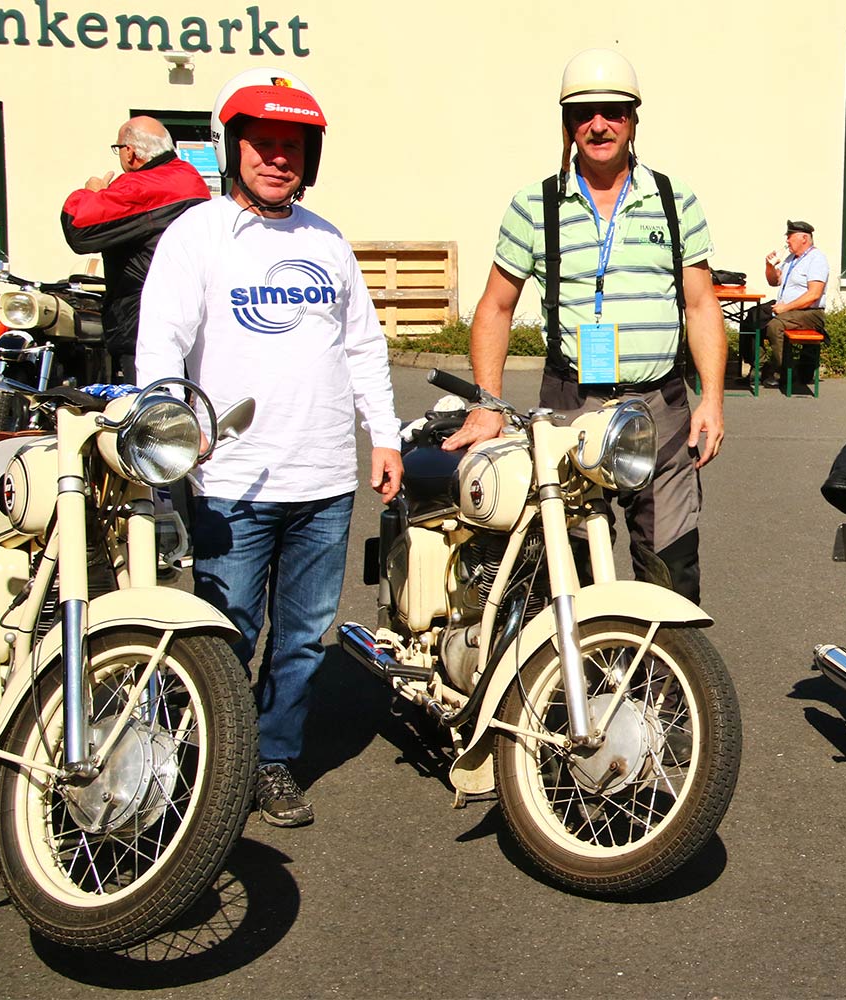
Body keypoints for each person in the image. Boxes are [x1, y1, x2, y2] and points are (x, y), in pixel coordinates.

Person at [137, 69, 404, 828]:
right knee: (222, 633)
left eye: (292, 147)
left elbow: (364, 348)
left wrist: (381, 435)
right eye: (263, 145)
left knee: (300, 641)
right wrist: (165, 433)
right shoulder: (197, 234)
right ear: (235, 148)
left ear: (308, 158)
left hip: (323, 477)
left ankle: (272, 760)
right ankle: (188, 759)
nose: (277, 159)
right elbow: (162, 345)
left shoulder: (327, 241)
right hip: (233, 478)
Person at [441, 48, 725, 603]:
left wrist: (711, 398)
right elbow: (495, 307)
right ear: (568, 124)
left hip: (661, 410)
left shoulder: (673, 199)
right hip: (572, 406)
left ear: (634, 120)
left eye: (614, 112)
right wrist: (487, 404)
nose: (599, 125)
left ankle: (663, 688)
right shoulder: (533, 205)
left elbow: (701, 303)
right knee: (570, 576)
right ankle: (577, 688)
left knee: (671, 573)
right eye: (584, 113)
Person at [60, 117, 211, 384]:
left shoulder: (139, 187)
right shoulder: (189, 177)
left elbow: (78, 228)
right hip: (190, 315)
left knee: (150, 413)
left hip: (142, 321)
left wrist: (91, 192)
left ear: (129, 152)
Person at [760, 220, 828, 384]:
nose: (787, 240)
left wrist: (785, 308)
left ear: (804, 238)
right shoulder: (791, 258)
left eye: (790, 236)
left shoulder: (816, 259)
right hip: (787, 310)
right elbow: (774, 281)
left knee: (775, 326)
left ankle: (784, 372)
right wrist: (769, 266)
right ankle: (761, 367)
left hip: (810, 312)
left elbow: (814, 294)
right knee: (752, 318)